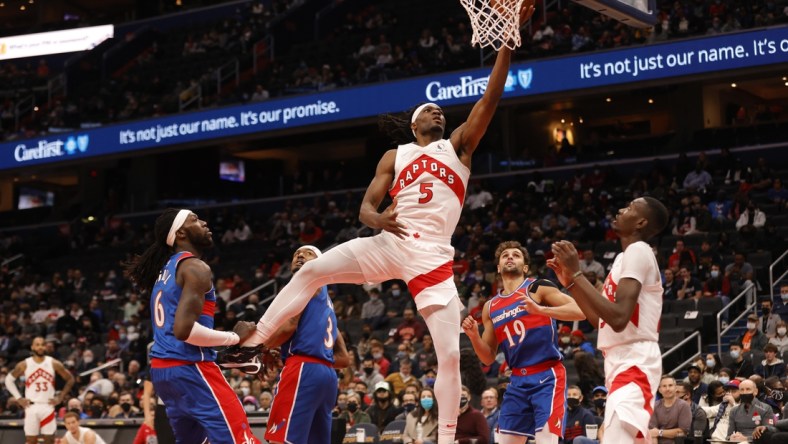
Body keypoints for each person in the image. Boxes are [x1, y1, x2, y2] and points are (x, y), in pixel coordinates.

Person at [238, 4, 536, 442]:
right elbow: (364, 209)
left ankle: (448, 436)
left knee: (450, 356)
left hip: (432, 254)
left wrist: (507, 41)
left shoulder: (459, 146)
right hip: (389, 242)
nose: (439, 113)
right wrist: (378, 218)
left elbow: (489, 99)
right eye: (430, 111)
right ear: (415, 123)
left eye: (441, 111)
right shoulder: (394, 155)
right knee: (312, 269)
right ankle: (257, 339)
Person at [123, 208, 260, 444]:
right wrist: (234, 338)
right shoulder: (195, 267)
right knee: (239, 439)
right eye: (196, 219)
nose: (205, 222)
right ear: (181, 233)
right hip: (190, 368)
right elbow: (184, 331)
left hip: (163, 372)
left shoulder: (165, 270)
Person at [550, 196, 670, 443]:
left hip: (635, 360)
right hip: (617, 361)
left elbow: (618, 318)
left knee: (615, 438)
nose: (620, 209)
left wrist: (577, 273)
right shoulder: (621, 259)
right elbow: (599, 320)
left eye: (629, 208)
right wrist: (571, 283)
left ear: (641, 222)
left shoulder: (639, 251)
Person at [462, 240, 585, 444]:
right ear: (499, 268)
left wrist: (541, 310)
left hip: (547, 374)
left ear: (525, 267)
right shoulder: (490, 307)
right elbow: (487, 358)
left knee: (546, 440)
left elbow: (580, 312)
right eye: (505, 255)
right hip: (517, 379)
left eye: (516, 255)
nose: (510, 257)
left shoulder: (538, 287)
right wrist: (474, 336)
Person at [262, 245, 350, 444]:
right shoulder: (328, 303)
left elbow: (289, 326)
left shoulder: (305, 281)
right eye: (296, 254)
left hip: (303, 370)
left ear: (319, 262)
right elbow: (344, 359)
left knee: (281, 440)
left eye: (308, 253)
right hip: (327, 377)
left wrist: (261, 347)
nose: (300, 255)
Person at [5, 336, 75, 444]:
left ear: (46, 347)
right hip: (31, 406)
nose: (40, 347)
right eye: (37, 345)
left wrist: (61, 396)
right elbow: (8, 380)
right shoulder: (25, 364)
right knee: (31, 440)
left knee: (49, 440)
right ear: (32, 347)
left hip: (48, 406)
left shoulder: (53, 363)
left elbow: (70, 379)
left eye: (42, 344)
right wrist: (19, 398)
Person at [648, 375, 691, 443]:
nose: (667, 389)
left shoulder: (684, 406)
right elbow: (653, 433)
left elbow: (682, 432)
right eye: (664, 386)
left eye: (670, 385)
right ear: (659, 390)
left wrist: (659, 432)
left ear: (675, 388)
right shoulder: (654, 406)